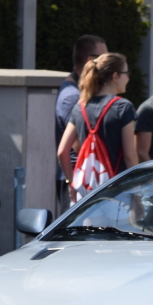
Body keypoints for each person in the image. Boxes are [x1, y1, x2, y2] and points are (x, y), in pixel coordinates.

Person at [57, 53, 139, 201]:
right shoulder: (123, 107)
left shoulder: (80, 106)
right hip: (118, 192)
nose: (128, 78)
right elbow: (129, 155)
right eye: (126, 73)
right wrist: (137, 193)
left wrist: (71, 183)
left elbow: (62, 152)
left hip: (87, 192)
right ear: (115, 76)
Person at [56, 35, 106, 206]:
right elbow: (81, 147)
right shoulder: (73, 97)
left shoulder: (77, 92)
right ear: (91, 60)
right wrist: (73, 182)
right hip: (77, 181)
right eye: (104, 58)